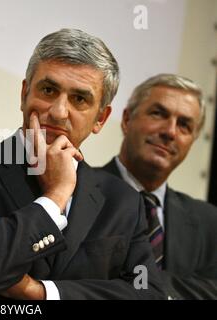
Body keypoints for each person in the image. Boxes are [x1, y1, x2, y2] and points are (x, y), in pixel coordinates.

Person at [0, 28, 165, 299]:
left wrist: (40, 292)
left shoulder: (122, 201)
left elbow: (148, 292)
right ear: (24, 93)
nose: (59, 111)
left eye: (79, 99)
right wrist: (55, 196)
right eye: (49, 90)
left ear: (100, 118)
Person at [101, 74, 217, 299]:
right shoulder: (75, 189)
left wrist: (139, 282)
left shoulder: (210, 222)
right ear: (126, 120)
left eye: (184, 125)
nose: (170, 132)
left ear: (192, 141)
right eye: (158, 114)